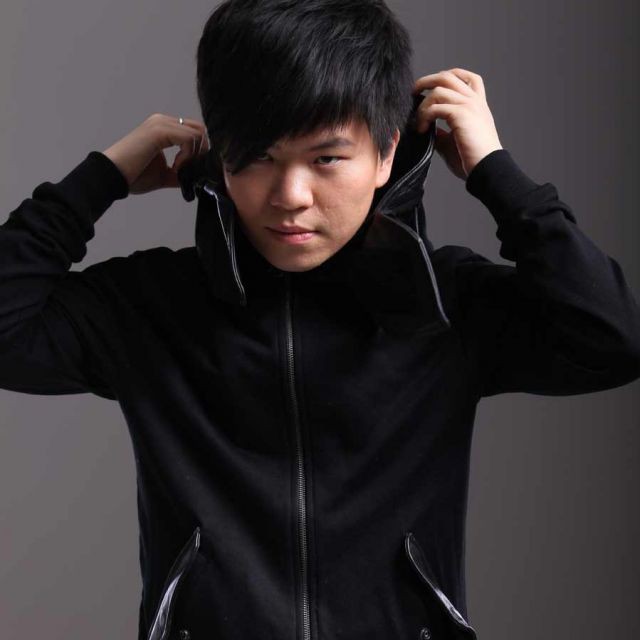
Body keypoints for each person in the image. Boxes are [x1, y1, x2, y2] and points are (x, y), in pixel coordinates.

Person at [1, 0, 639, 638]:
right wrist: (101, 177)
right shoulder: (152, 306)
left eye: (327, 159)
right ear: (220, 158)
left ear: (386, 154)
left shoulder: (443, 302)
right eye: (257, 158)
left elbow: (613, 338)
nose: (291, 197)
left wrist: (495, 172)